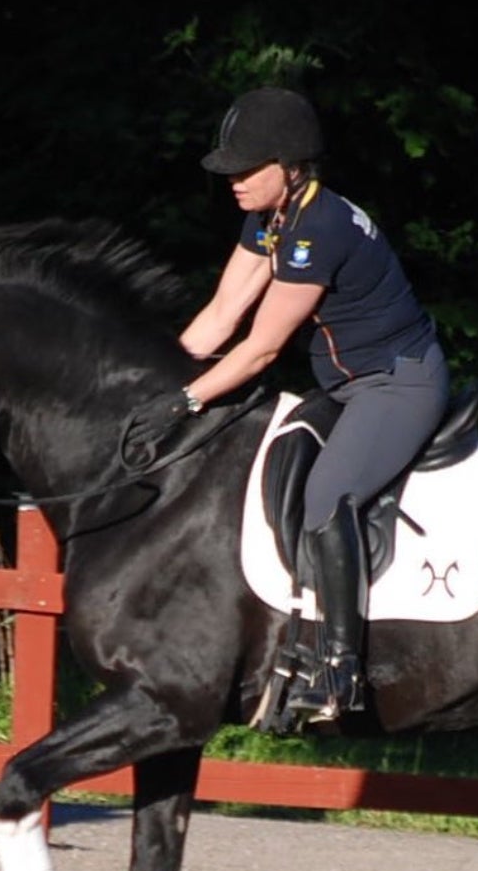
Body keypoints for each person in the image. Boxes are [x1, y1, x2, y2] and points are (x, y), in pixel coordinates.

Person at [126, 86, 450, 720]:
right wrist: (157, 378)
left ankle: (340, 674)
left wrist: (183, 401)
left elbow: (260, 350)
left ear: (292, 165)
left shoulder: (317, 229)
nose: (235, 182)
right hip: (345, 387)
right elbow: (219, 318)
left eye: (248, 170)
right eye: (231, 171)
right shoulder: (271, 217)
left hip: (398, 383)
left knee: (328, 495)